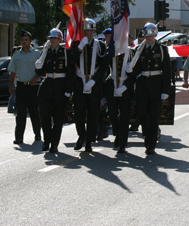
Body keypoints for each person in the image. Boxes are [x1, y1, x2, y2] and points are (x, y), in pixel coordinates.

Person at [124, 22, 172, 155]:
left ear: (155, 35)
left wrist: (165, 90)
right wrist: (130, 71)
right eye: (146, 36)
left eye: (150, 36)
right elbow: (136, 69)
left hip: (156, 85)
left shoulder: (161, 49)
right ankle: (147, 136)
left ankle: (151, 144)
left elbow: (167, 70)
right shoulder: (140, 49)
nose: (148, 38)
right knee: (141, 113)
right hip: (143, 85)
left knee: (154, 116)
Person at [70, 19, 108, 153]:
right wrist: (80, 48)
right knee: (78, 111)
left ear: (94, 31)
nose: (88, 32)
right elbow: (71, 60)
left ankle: (89, 141)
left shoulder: (101, 45)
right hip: (80, 81)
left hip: (94, 82)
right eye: (86, 30)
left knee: (93, 112)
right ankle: (81, 136)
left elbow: (104, 66)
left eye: (91, 30)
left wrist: (94, 81)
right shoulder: (77, 44)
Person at [34, 27, 73, 153]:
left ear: (60, 39)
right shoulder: (46, 51)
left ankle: (54, 144)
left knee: (58, 117)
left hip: (61, 85)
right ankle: (47, 141)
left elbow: (70, 72)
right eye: (51, 38)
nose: (53, 40)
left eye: (55, 38)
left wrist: (68, 88)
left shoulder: (65, 51)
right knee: (44, 115)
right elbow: (40, 71)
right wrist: (38, 65)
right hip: (48, 84)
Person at [8, 30, 42, 144]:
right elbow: (12, 71)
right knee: (20, 113)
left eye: (26, 40)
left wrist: (35, 78)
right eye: (22, 40)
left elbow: (42, 69)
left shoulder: (37, 54)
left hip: (33, 87)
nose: (24, 41)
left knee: (34, 112)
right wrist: (11, 85)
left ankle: (37, 134)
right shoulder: (17, 55)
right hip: (21, 86)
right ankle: (19, 137)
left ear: (30, 41)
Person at [104, 34, 135, 153]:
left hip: (125, 86)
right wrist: (110, 51)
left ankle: (122, 142)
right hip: (113, 83)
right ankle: (118, 134)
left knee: (124, 115)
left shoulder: (131, 53)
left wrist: (125, 86)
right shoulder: (111, 51)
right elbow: (104, 65)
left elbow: (134, 75)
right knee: (112, 113)